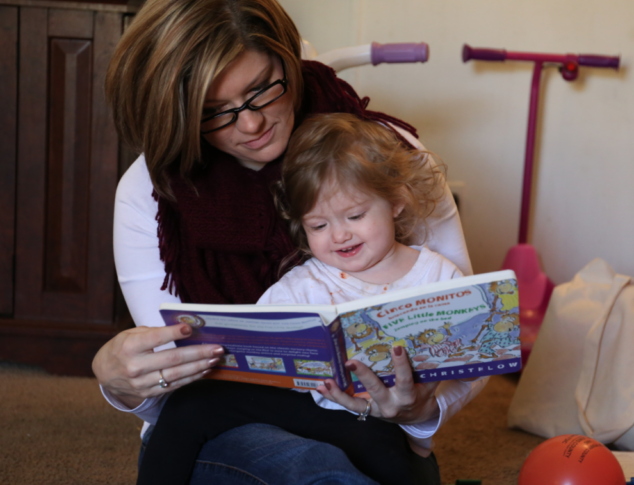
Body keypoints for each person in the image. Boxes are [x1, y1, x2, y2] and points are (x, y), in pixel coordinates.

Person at [92, 0, 481, 483]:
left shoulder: (393, 160)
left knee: (356, 455)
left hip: (380, 428)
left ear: (286, 60)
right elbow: (176, 391)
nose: (251, 124)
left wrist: (419, 409)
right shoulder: (149, 191)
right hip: (227, 419)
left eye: (261, 90)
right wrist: (124, 383)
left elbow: (468, 347)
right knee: (311, 467)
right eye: (215, 112)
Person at [136, 113, 477, 485]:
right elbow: (255, 356)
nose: (340, 235)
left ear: (396, 200)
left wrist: (421, 405)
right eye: (319, 225)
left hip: (380, 424)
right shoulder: (301, 285)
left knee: (385, 449)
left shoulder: (439, 277)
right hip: (298, 414)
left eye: (355, 215)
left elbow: (473, 361)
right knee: (190, 403)